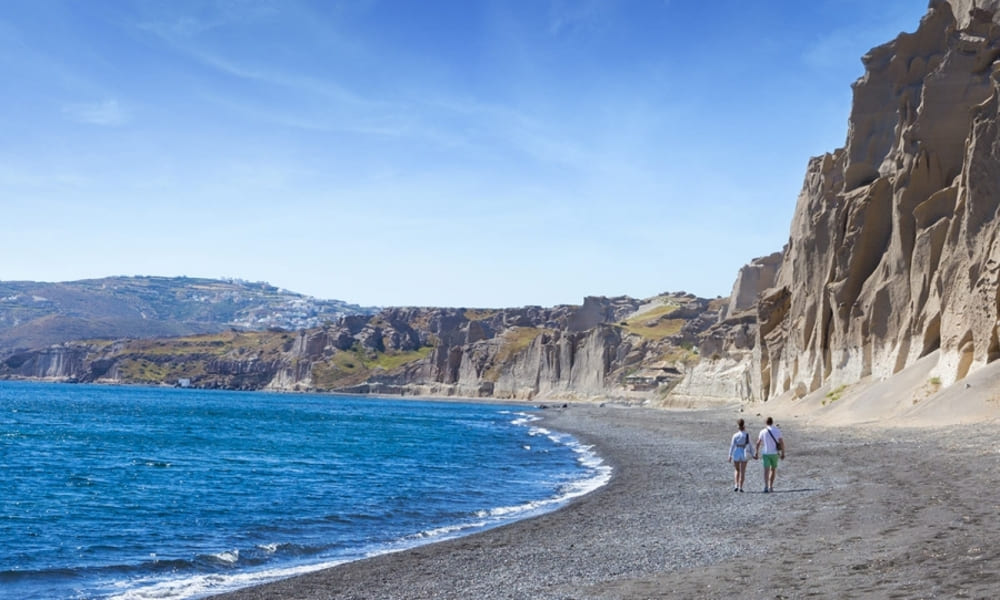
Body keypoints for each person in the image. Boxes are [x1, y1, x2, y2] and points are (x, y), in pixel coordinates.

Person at [756, 417, 784, 492]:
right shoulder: (777, 431)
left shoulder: (762, 431)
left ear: (766, 423)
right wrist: (783, 453)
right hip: (774, 453)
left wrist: (756, 452)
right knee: (773, 469)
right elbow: (781, 442)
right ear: (772, 422)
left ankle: (765, 486)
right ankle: (770, 486)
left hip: (766, 453)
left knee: (766, 470)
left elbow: (758, 442)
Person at [728, 418, 756, 492]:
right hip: (744, 451)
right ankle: (741, 487)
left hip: (737, 451)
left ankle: (736, 485)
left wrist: (730, 455)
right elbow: (751, 445)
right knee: (743, 471)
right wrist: (753, 454)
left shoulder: (735, 435)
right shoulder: (747, 435)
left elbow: (732, 446)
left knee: (737, 469)